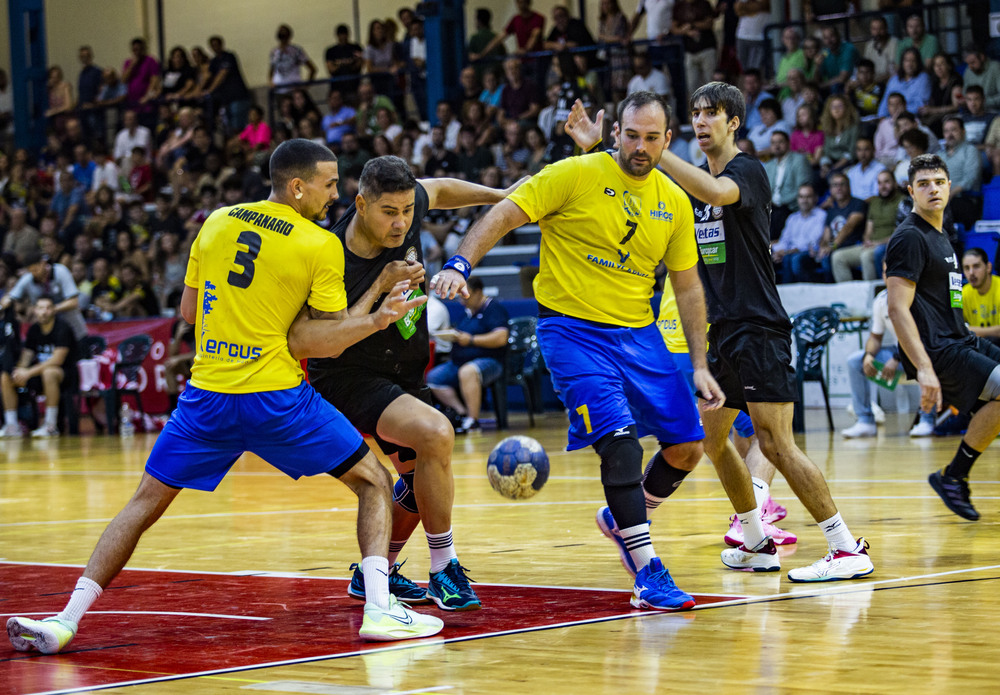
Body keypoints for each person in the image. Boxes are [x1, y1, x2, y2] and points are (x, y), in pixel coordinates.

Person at [5, 140, 443, 656]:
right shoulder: (320, 243)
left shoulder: (215, 221)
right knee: (374, 481)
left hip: (206, 397)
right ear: (297, 186)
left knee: (143, 505)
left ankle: (65, 619)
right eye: (328, 184)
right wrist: (377, 313)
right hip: (275, 397)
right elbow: (323, 340)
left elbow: (190, 311)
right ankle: (378, 609)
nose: (335, 195)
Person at [567, 82, 875, 581]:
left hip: (758, 329)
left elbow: (714, 191)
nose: (702, 121)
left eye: (712, 113)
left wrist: (659, 151)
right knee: (710, 439)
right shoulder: (688, 189)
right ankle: (755, 541)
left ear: (734, 122)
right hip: (722, 334)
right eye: (695, 113)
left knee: (775, 445)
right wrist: (602, 151)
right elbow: (640, 186)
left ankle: (845, 547)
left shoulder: (745, 171)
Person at [434, 91, 725, 611]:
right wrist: (460, 264)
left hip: (640, 335)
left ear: (667, 140)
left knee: (687, 448)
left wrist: (699, 363)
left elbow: (687, 288)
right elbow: (502, 215)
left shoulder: (674, 201)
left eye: (651, 138)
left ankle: (622, 520)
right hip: (572, 333)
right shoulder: (572, 173)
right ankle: (647, 572)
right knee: (621, 444)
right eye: (631, 135)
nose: (640, 146)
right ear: (615, 133)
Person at [306, 155, 523, 611]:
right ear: (361, 204)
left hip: (401, 374)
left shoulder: (406, 206)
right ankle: (444, 567)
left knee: (416, 485)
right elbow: (328, 337)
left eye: (408, 210)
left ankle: (374, 574)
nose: (402, 222)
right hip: (348, 375)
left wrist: (498, 194)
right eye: (390, 212)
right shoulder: (328, 254)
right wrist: (381, 289)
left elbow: (439, 189)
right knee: (436, 433)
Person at [886, 153, 1000, 522]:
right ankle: (954, 475)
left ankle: (953, 476)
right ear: (911, 191)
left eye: (938, 182)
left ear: (949, 186)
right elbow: (897, 309)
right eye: (923, 184)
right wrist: (924, 369)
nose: (932, 189)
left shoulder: (943, 237)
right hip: (939, 350)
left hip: (960, 339)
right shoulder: (909, 238)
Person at [842, 271, 936, 438]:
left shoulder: (918, 296)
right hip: (898, 355)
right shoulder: (880, 299)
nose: (889, 276)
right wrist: (869, 355)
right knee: (855, 362)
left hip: (924, 352)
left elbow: (923, 337)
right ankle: (865, 421)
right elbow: (875, 336)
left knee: (927, 360)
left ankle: (927, 421)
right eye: (886, 272)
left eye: (893, 271)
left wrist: (897, 358)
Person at [427, 276, 509, 433]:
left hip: (490, 361)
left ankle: (473, 421)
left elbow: (501, 338)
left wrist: (471, 340)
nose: (461, 300)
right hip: (459, 361)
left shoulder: (493, 309)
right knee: (433, 377)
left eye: (465, 294)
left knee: (468, 371)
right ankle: (462, 413)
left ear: (478, 292)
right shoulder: (468, 312)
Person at [0, 296, 77, 438]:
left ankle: (50, 425)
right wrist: (20, 371)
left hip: (65, 375)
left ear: (54, 310)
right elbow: (27, 355)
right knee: (6, 375)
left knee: (49, 372)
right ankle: (12, 426)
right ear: (35, 310)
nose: (44, 312)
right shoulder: (34, 329)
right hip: (38, 374)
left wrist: (28, 372)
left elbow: (57, 360)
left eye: (48, 308)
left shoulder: (62, 328)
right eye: (41, 308)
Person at [0, 249, 87, 341]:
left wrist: (50, 309)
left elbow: (73, 302)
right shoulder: (28, 279)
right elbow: (10, 297)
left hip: (73, 329)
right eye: (31, 271)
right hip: (47, 333)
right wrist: (3, 305)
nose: (35, 273)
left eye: (37, 269)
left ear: (44, 263)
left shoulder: (60, 272)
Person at [771, 183, 826, 284]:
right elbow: (784, 240)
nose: (804, 200)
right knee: (769, 257)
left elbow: (813, 241)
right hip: (789, 252)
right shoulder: (792, 218)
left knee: (793, 259)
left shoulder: (821, 215)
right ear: (798, 199)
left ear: (815, 198)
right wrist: (777, 252)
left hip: (810, 254)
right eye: (801, 196)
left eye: (808, 196)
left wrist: (787, 252)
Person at [820, 172, 867, 282]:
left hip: (855, 246)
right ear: (830, 189)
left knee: (833, 256)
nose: (839, 188)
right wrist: (822, 246)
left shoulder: (857, 204)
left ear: (849, 187)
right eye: (835, 185)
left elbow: (848, 227)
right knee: (823, 257)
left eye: (842, 184)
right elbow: (826, 236)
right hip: (837, 248)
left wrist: (832, 245)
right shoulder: (831, 211)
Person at [961, 247, 1000, 344]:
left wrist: (971, 330)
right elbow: (956, 329)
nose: (971, 273)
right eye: (966, 268)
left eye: (976, 266)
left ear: (988, 267)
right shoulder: (964, 293)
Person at [269, 24, 317, 90]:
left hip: (295, 89)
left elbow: (312, 69)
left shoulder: (296, 50)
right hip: (279, 89)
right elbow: (271, 70)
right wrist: (270, 82)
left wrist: (306, 86)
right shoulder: (274, 52)